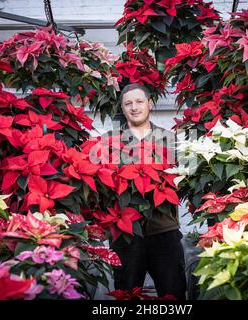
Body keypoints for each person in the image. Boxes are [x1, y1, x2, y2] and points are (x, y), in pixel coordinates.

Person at [107, 83, 187, 300]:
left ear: (150, 104)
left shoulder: (169, 140)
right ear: (122, 109)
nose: (134, 107)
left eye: (139, 101)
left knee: (174, 294)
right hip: (126, 237)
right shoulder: (109, 142)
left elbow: (182, 180)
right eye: (128, 103)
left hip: (164, 230)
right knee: (126, 294)